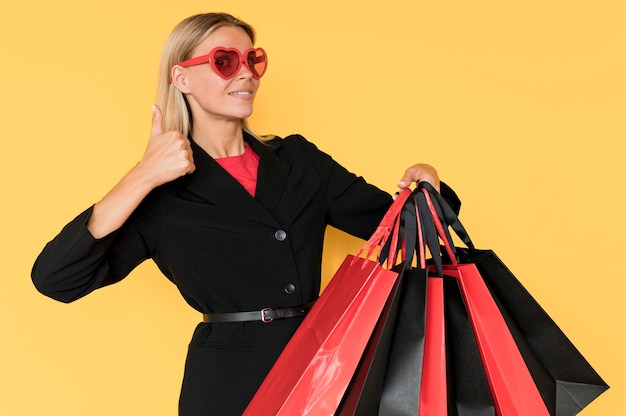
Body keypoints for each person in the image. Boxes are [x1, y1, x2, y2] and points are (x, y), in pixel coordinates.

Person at [32, 12, 460, 416]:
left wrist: (429, 187)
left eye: (253, 60)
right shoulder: (159, 194)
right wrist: (139, 178)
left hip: (323, 366)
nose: (246, 73)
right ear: (181, 77)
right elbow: (57, 279)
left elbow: (411, 235)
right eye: (224, 61)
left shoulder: (298, 160)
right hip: (228, 382)